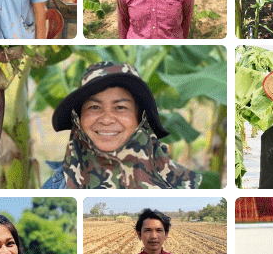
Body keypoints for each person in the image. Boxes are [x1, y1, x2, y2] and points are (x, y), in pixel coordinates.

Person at [50, 62, 200, 189]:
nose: (107, 119)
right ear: (78, 118)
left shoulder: (182, 184)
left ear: (140, 117)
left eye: (120, 107)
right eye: (94, 107)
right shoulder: (57, 185)